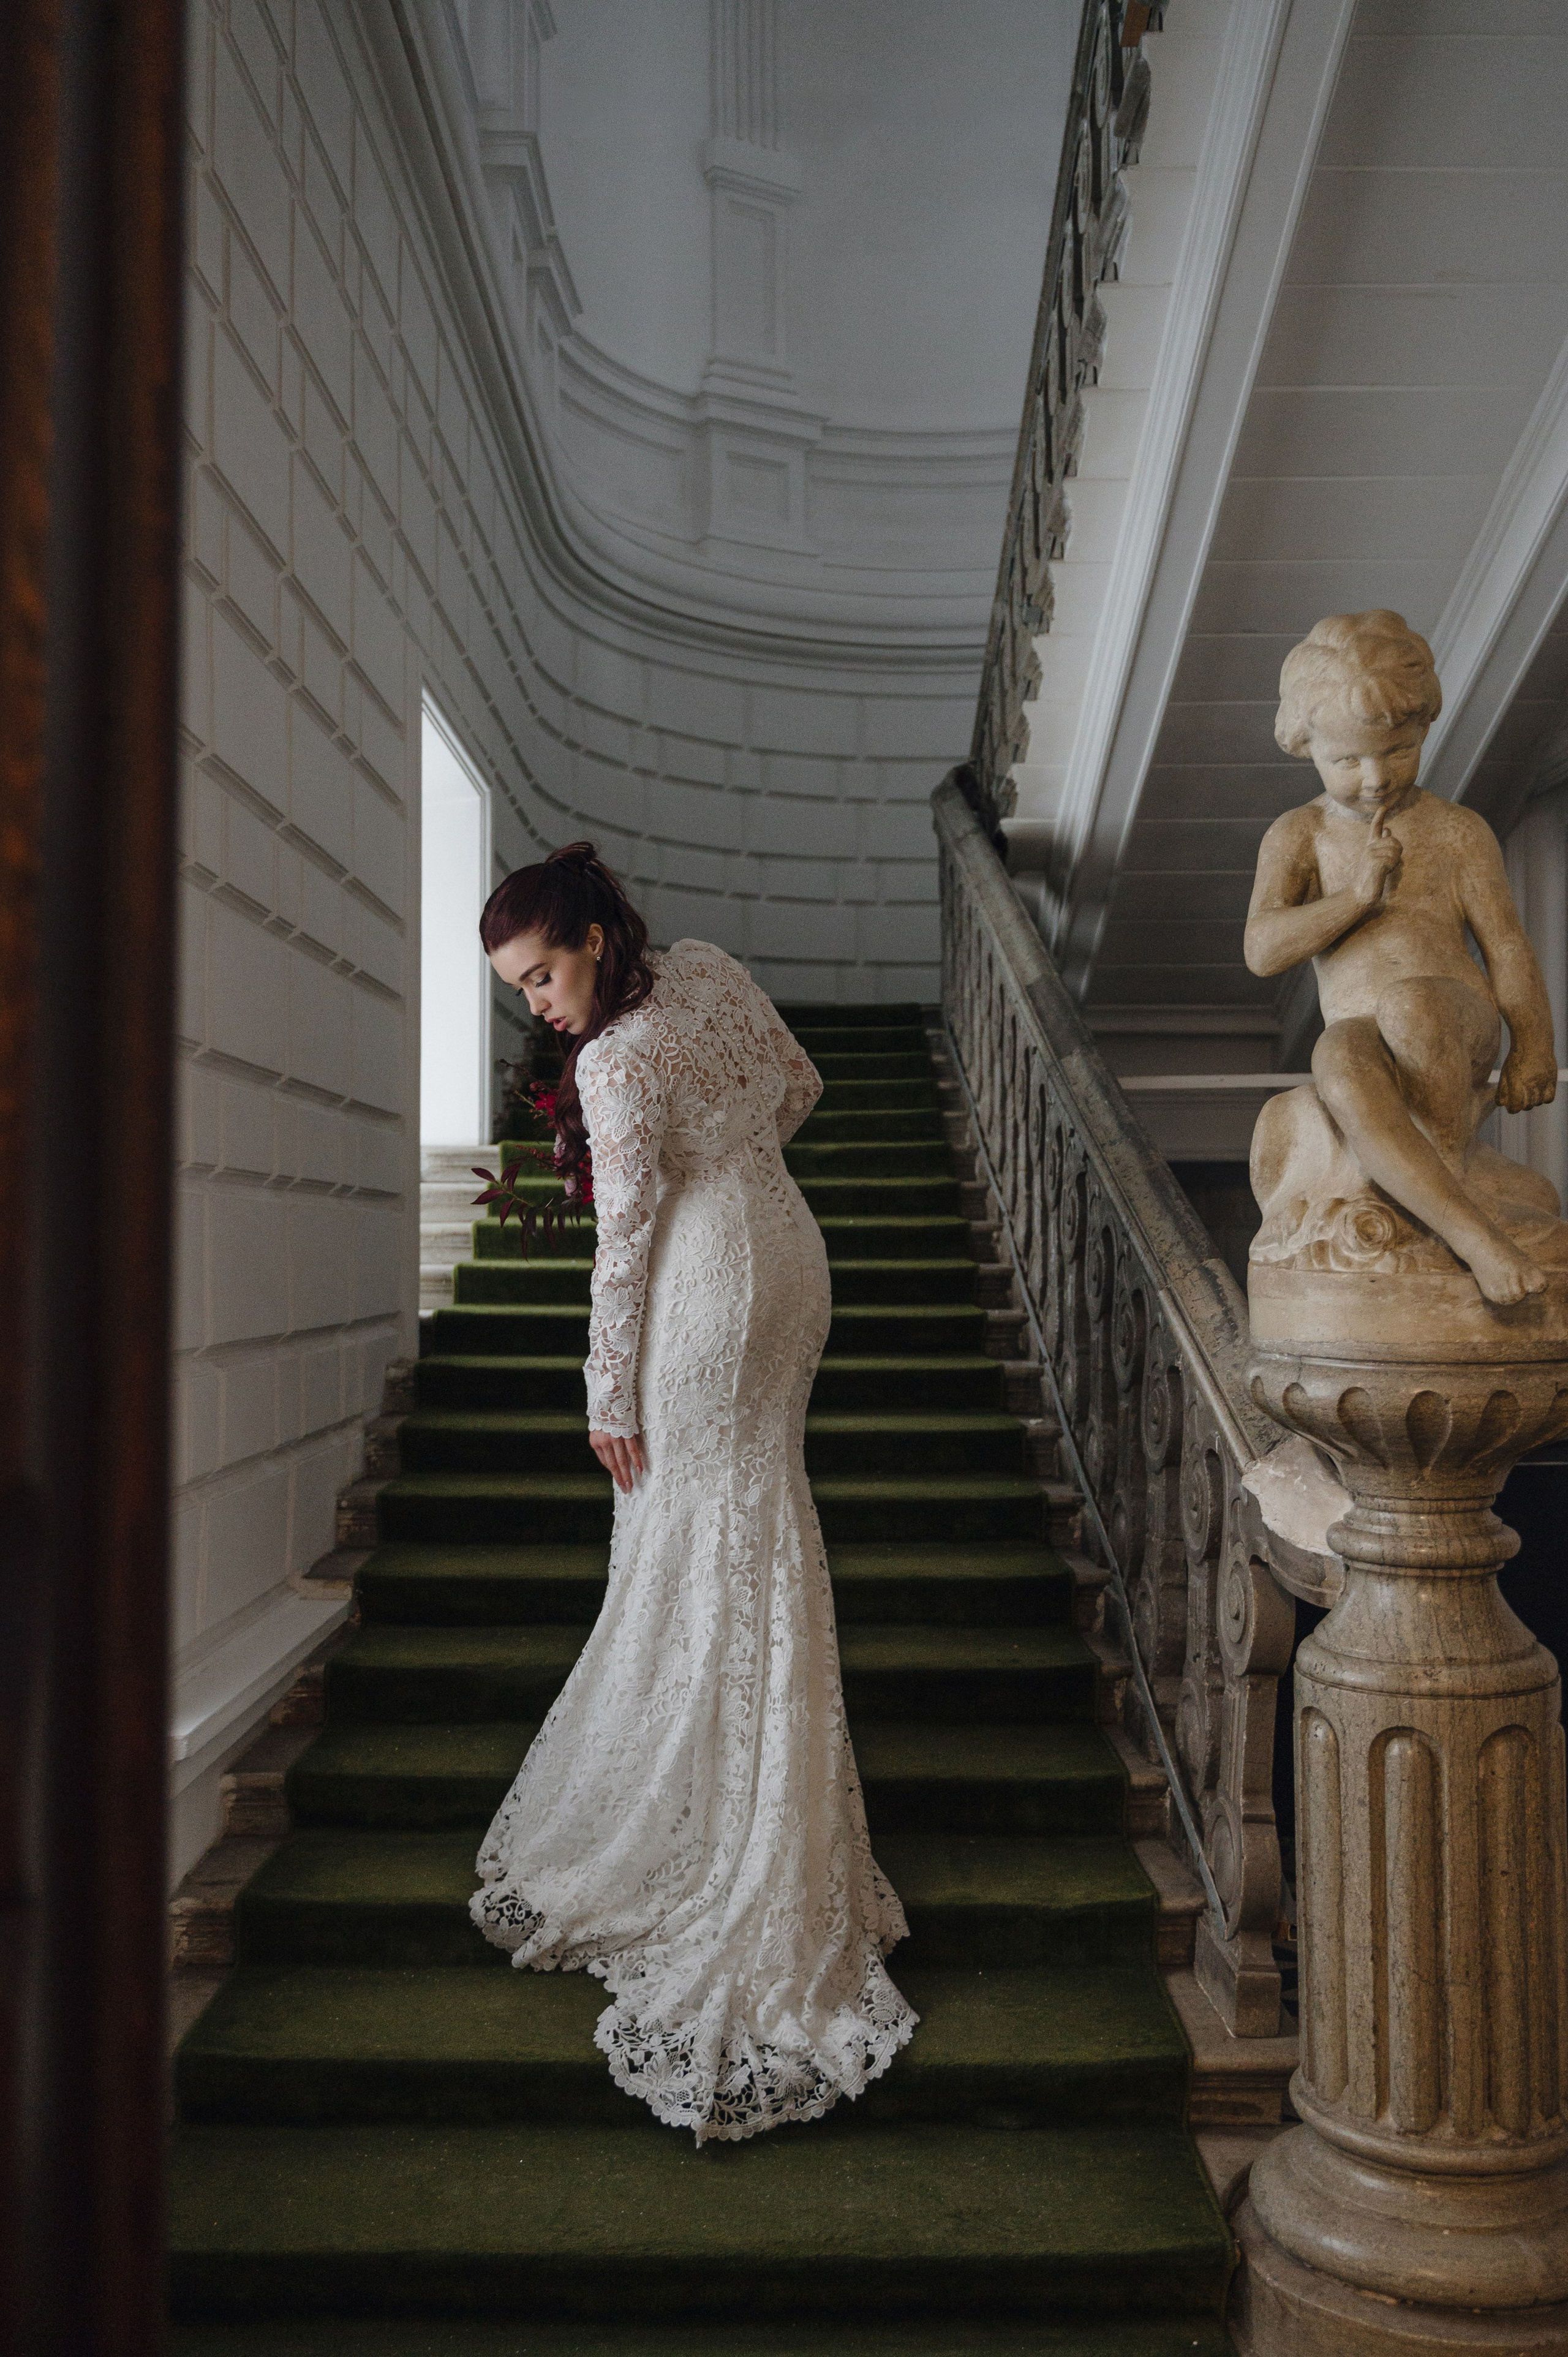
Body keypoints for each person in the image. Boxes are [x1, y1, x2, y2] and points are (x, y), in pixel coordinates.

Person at [466, 841, 916, 2142]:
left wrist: (607, 1394)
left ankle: (726, 1834)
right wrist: (731, 1165)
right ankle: (756, 1797)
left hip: (708, 1295)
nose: (535, 1006)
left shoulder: (610, 1062)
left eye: (540, 974)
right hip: (789, 1256)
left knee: (698, 1528)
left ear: (591, 943)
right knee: (755, 1522)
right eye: (517, 988)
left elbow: (624, 1242)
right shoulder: (710, 971)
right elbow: (799, 1084)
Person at [1244, 611, 1558, 1307]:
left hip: (1451, 1016)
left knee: (1407, 1004)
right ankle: (1472, 1236)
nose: (1375, 777)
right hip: (1362, 1030)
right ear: (1307, 745)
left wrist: (1534, 1042)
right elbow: (1262, 949)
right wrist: (1357, 898)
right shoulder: (1301, 833)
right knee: (1336, 1061)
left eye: (1397, 752)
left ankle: (1444, 1191)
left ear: (1421, 733)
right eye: (1347, 760)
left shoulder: (1454, 830)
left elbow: (1506, 942)